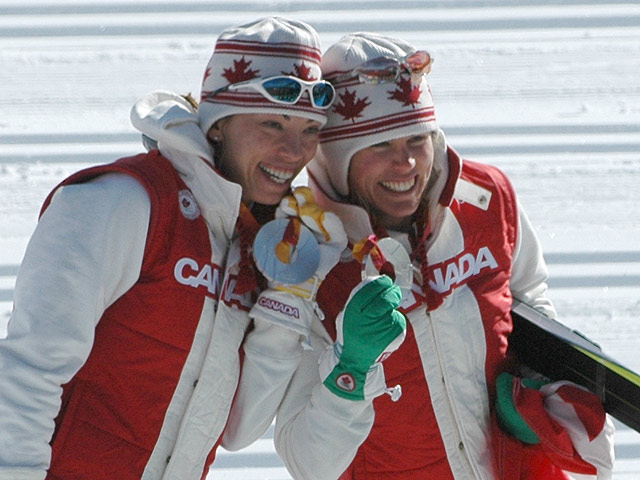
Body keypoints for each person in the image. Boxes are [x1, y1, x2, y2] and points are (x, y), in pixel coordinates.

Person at [222, 32, 616, 479]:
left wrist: (542, 387)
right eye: (379, 147)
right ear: (335, 161)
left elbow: (527, 299)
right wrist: (350, 372)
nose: (406, 164)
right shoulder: (307, 256)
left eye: (416, 139)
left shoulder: (487, 201)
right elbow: (308, 461)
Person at [0, 16, 339, 480]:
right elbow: (27, 371)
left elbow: (239, 429)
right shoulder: (125, 201)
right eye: (272, 124)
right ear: (217, 125)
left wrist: (288, 299)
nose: (293, 151)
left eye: (308, 131)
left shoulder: (254, 241)